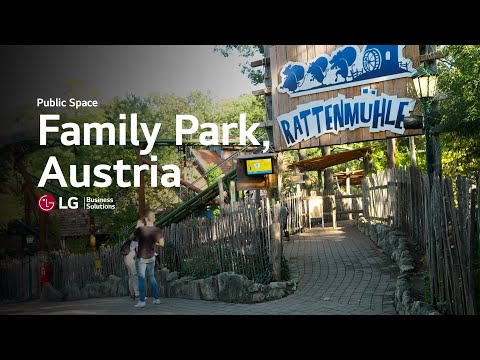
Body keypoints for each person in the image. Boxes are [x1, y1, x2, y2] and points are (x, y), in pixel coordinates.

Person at [133, 225, 164, 308]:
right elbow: (162, 244)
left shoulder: (140, 229)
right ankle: (157, 299)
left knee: (141, 278)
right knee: (151, 277)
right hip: (151, 257)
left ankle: (142, 301)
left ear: (146, 220)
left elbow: (131, 238)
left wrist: (137, 227)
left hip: (141, 257)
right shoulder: (157, 230)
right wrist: (153, 242)